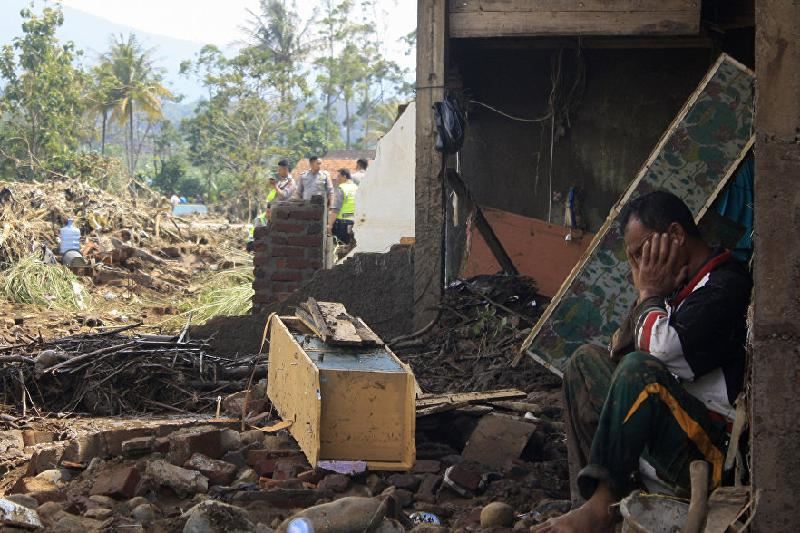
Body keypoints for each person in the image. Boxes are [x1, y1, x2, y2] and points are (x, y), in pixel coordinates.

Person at [533, 191, 752, 533]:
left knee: (640, 371)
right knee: (584, 363)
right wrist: (648, 295)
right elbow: (616, 350)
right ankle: (590, 499)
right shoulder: (676, 290)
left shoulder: (725, 285)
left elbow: (660, 352)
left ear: (676, 235)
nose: (639, 269)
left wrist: (649, 295)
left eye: (642, 253)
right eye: (633, 260)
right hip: (672, 431)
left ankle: (605, 505)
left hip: (709, 455)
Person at [329, 168, 358, 243]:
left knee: (339, 248)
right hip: (354, 222)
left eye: (338, 176)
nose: (337, 179)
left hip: (342, 224)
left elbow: (336, 209)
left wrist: (330, 225)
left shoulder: (341, 188)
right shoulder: (356, 188)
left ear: (344, 177)